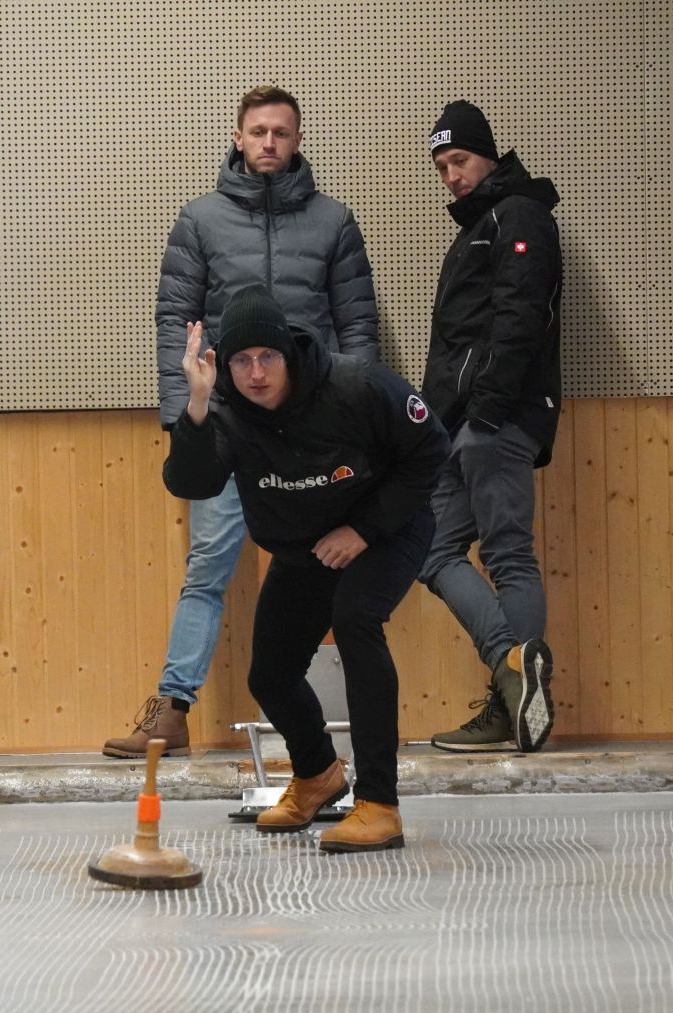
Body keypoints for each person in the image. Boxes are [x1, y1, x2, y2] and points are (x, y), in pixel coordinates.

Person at [104, 85, 380, 759]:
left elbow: (357, 327)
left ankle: (326, 724)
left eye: (281, 132)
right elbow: (176, 323)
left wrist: (355, 419)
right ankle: (172, 711)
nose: (269, 142)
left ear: (298, 140)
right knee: (208, 567)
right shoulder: (200, 221)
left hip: (313, 433)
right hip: (229, 427)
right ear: (238, 137)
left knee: (324, 572)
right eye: (258, 131)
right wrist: (186, 421)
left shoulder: (334, 222)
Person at [163, 285, 447, 851]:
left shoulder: (357, 386)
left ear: (289, 353)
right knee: (270, 674)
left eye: (268, 356)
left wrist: (364, 529)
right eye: (242, 361)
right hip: (305, 546)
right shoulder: (225, 411)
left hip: (386, 528)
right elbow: (192, 482)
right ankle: (317, 774)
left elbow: (431, 450)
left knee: (356, 620)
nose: (256, 373)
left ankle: (379, 804)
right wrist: (196, 402)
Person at [418, 101, 563, 754]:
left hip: (495, 419)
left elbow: (520, 318)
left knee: (507, 555)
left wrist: (486, 412)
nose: (451, 175)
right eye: (441, 166)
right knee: (430, 548)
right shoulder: (480, 224)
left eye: (460, 160)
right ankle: (513, 671)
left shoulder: (519, 215)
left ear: (488, 154)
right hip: (460, 425)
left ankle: (513, 700)